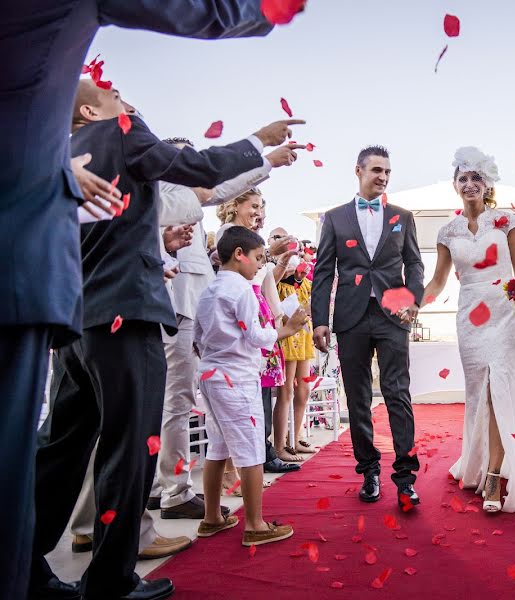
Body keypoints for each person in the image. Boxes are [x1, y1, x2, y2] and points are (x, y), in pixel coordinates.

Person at [0, 2, 304, 597]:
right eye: (118, 97)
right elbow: (189, 166)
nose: (130, 104)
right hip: (128, 312)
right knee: (129, 448)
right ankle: (112, 581)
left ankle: (24, 564)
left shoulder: (56, 156)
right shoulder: (120, 131)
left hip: (75, 318)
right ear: (92, 108)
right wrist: (255, 143)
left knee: (60, 449)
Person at [149, 138, 300, 518]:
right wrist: (265, 160)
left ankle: (188, 501)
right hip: (186, 319)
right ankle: (179, 492)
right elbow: (256, 334)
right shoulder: (170, 198)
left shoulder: (216, 267)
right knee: (185, 411)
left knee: (196, 423)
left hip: (200, 339)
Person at [421, 147, 515, 512]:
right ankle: (479, 464)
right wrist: (415, 303)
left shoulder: (506, 221)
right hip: (470, 317)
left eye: (476, 178)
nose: (470, 184)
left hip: (505, 312)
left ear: (487, 183)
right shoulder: (447, 232)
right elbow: (438, 281)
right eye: (463, 178)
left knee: (499, 390)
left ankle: (494, 476)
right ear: (455, 186)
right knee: (479, 393)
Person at [311, 146, 424, 508]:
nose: (383, 177)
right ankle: (369, 471)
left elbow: (415, 264)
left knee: (397, 393)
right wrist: (319, 321)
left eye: (388, 171)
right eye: (377, 170)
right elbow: (324, 271)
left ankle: (406, 479)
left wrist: (414, 301)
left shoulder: (403, 216)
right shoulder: (334, 217)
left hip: (393, 317)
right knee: (358, 398)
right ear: (358, 171)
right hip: (350, 317)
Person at [194, 226, 309, 547]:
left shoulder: (208, 291)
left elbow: (198, 339)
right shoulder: (242, 290)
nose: (261, 265)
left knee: (217, 447)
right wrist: (290, 329)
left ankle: (212, 517)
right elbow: (256, 337)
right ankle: (256, 524)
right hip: (237, 377)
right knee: (251, 449)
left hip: (211, 375)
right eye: (258, 258)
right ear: (239, 254)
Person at [268, 230, 318, 456]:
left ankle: (295, 437)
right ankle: (279, 445)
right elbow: (273, 309)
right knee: (286, 391)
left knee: (303, 390)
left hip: (303, 337)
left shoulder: (304, 284)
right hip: (286, 339)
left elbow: (309, 308)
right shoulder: (275, 280)